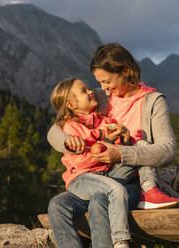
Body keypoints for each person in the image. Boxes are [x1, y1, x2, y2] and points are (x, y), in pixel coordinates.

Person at [47, 43, 179, 248]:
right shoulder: (101, 97)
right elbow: (56, 128)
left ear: (126, 71)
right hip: (95, 174)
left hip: (128, 179)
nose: (102, 87)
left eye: (106, 81)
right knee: (57, 204)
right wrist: (66, 141)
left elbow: (168, 150)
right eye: (99, 82)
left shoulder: (153, 102)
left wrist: (120, 153)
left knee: (101, 200)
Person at [50, 77, 138, 248]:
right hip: (84, 179)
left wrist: (125, 140)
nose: (91, 91)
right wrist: (105, 139)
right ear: (70, 105)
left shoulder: (106, 122)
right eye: (84, 91)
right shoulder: (70, 129)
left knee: (99, 200)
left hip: (108, 176)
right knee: (57, 205)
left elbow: (120, 156)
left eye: (89, 88)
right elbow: (82, 164)